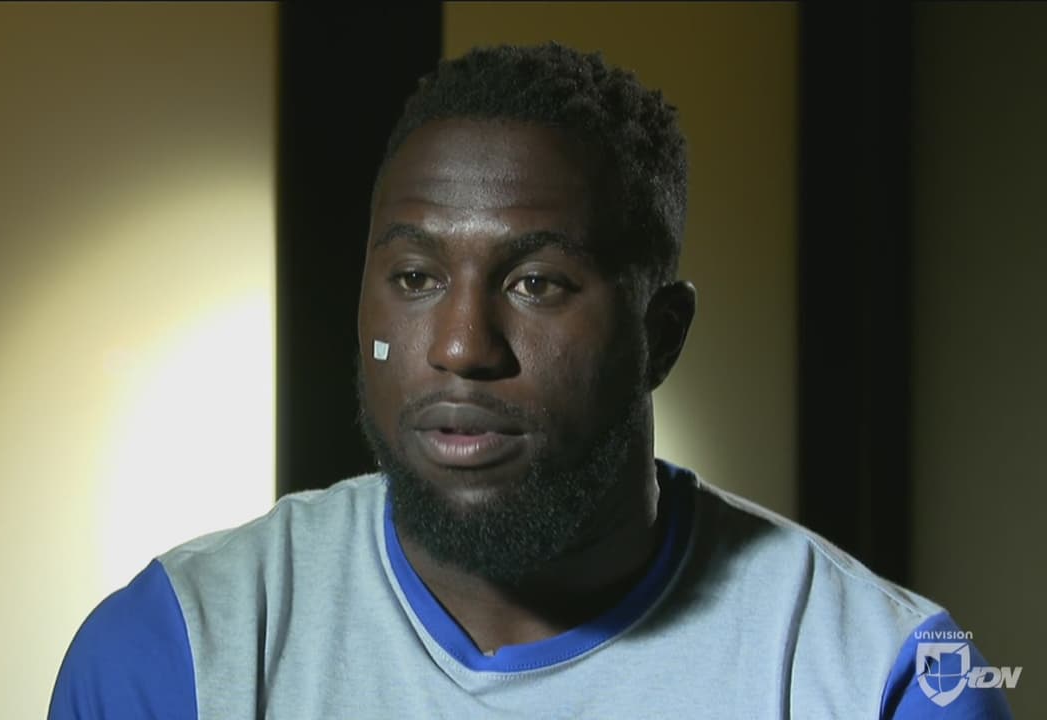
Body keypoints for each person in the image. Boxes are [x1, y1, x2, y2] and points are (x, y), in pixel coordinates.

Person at [49, 43, 1012, 719]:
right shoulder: (180, 654)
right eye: (415, 278)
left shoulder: (879, 680)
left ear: (661, 336)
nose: (461, 346)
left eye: (537, 283)